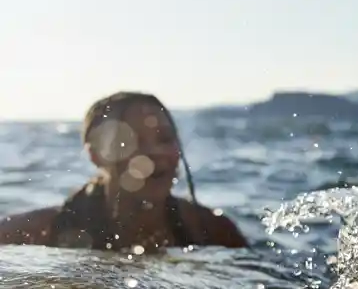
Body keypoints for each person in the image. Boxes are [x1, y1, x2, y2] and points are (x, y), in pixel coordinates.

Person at [0, 91, 248, 252]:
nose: (154, 152)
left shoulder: (214, 230)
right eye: (132, 141)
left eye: (164, 139)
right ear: (95, 155)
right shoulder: (37, 231)